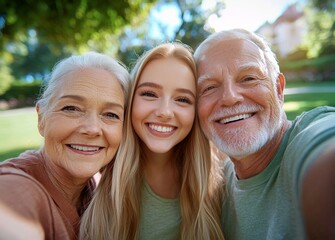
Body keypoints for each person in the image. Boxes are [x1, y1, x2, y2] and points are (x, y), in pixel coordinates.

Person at [194, 28, 335, 240]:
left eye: (248, 78)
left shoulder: (310, 136)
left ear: (278, 89)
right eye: (209, 87)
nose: (230, 98)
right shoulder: (215, 184)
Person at [80, 42, 225, 240]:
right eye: (149, 94)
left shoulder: (219, 179)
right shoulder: (97, 174)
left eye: (183, 99)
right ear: (130, 101)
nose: (164, 112)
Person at [0, 51, 130, 240]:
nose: (92, 129)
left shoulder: (98, 187)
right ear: (41, 118)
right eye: (71, 108)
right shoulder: (16, 188)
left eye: (111, 114)